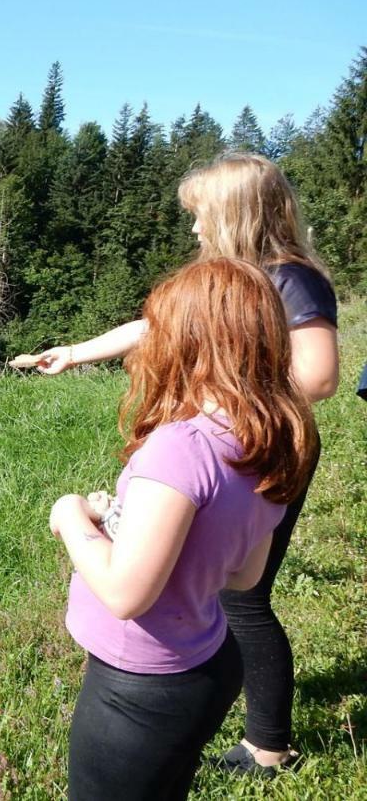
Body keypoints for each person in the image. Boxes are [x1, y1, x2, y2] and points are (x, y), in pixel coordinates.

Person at [18, 153, 338, 774]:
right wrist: (78, 353)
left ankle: (268, 743)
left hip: (258, 438)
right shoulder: (226, 280)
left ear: (234, 213)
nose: (192, 229)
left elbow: (319, 376)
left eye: (200, 216)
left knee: (245, 599)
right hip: (238, 433)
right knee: (226, 585)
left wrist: (237, 385)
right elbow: (156, 326)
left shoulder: (289, 278)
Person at [50, 258, 317, 800]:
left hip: (140, 683)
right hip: (209, 665)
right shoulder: (271, 438)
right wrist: (124, 520)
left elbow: (127, 595)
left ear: (190, 341)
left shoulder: (182, 447)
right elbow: (243, 574)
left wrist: (71, 514)